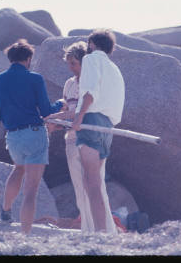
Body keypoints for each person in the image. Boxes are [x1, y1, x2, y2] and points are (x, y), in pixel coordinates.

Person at [0, 39, 66, 234]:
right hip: (34, 134)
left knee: (18, 170)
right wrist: (60, 104)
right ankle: (25, 235)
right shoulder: (35, 78)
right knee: (31, 190)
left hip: (13, 137)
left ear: (10, 59)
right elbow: (47, 111)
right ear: (29, 58)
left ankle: (6, 212)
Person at [45, 41, 118, 234]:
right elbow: (69, 110)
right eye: (68, 63)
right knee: (80, 189)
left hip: (90, 138)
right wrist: (56, 120)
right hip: (71, 140)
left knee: (95, 185)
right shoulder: (69, 84)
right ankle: (88, 229)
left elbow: (80, 111)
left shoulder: (92, 83)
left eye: (74, 63)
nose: (71, 68)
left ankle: (105, 231)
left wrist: (58, 116)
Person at [72, 29, 125, 233]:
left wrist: (79, 117)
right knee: (95, 181)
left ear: (92, 44)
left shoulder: (91, 59)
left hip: (91, 120)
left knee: (91, 181)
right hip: (107, 126)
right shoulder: (114, 68)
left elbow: (90, 91)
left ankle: (100, 232)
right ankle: (101, 229)